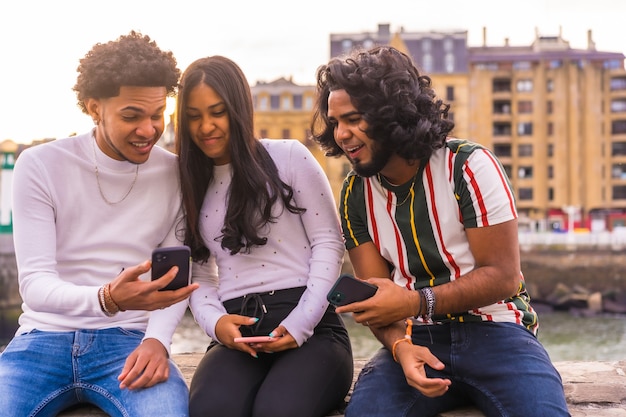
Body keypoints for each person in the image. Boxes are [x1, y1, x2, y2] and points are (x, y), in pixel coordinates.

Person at [311, 46, 570, 417]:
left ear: (391, 115)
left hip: (497, 329)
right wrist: (401, 349)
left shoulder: (468, 166)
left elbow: (503, 277)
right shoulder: (355, 194)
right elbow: (377, 301)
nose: (341, 135)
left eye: (352, 119)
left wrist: (417, 303)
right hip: (415, 339)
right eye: (335, 122)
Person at [0, 31, 199, 417]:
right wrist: (107, 298)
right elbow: (36, 285)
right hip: (41, 339)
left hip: (128, 342)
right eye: (131, 115)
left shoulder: (177, 173)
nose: (148, 130)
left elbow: (178, 283)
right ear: (94, 108)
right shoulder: (40, 165)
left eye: (157, 114)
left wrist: (157, 340)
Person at [175, 55, 353, 417]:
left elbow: (329, 243)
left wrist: (301, 323)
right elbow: (200, 273)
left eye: (217, 112)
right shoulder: (188, 184)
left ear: (238, 109)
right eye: (194, 116)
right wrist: (216, 323)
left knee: (278, 410)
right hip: (237, 330)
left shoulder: (289, 157)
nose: (206, 126)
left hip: (313, 328)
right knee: (211, 410)